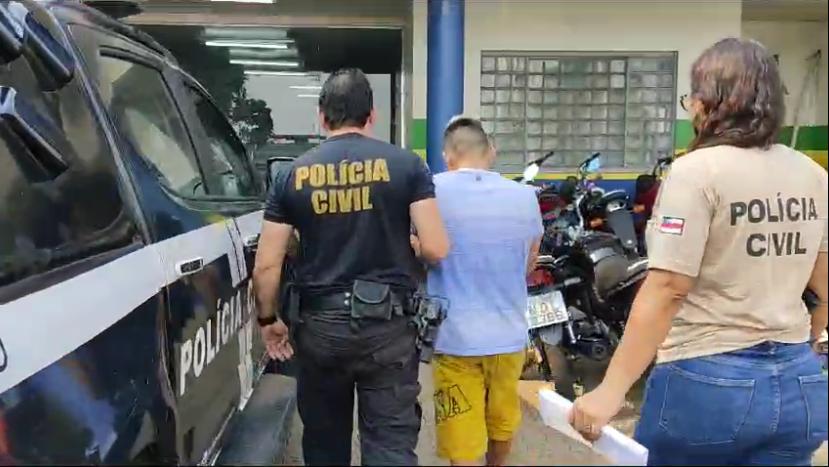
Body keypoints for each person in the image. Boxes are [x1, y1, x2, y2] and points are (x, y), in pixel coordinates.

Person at [569, 38, 828, 466]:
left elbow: (669, 287)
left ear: (711, 102)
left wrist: (610, 391)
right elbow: (824, 285)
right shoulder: (811, 174)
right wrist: (807, 344)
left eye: (692, 98)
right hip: (798, 382)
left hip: (709, 384)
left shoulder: (697, 171)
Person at [252, 68, 449, 466]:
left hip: (320, 330)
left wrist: (268, 320)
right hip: (389, 329)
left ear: (321, 117)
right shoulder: (407, 166)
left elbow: (266, 265)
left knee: (324, 444)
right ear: (372, 116)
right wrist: (408, 243)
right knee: (390, 446)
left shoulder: (291, 175)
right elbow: (436, 248)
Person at [427, 117, 543, 466]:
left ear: (447, 156)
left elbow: (421, 250)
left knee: (462, 439)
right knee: (502, 424)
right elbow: (530, 262)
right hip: (509, 337)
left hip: (454, 339)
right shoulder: (525, 196)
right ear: (490, 151)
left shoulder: (429, 192)